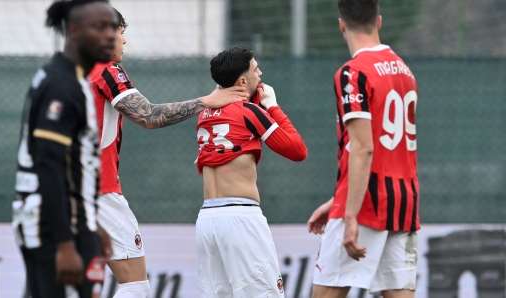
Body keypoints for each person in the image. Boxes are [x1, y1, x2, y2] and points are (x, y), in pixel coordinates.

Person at [89, 10, 249, 298]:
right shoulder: (107, 69)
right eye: (120, 33)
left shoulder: (68, 74)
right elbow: (149, 116)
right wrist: (207, 101)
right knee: (134, 286)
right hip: (98, 192)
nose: (124, 41)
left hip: (60, 192)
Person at [307, 0, 420, 297]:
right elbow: (385, 151)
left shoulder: (353, 73)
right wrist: (336, 200)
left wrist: (349, 214)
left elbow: (363, 148)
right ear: (378, 21)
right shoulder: (404, 71)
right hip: (403, 203)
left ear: (341, 24)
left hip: (366, 205)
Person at [12, 0, 117, 297]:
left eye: (112, 27)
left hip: (66, 221)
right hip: (54, 228)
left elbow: (72, 165)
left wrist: (90, 222)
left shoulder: (71, 78)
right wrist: (65, 244)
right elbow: (49, 165)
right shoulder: (62, 85)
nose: (109, 34)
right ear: (74, 31)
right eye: (100, 27)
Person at [194, 46, 308, 297]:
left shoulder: (204, 114)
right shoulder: (251, 112)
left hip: (207, 220)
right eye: (256, 69)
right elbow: (298, 150)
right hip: (240, 218)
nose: (261, 73)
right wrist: (272, 105)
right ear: (243, 80)